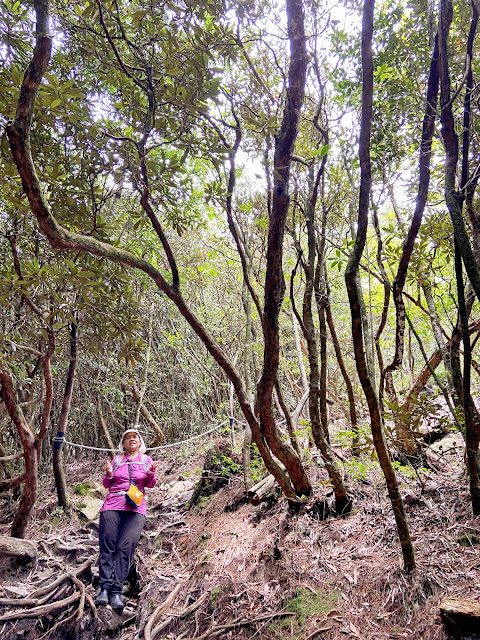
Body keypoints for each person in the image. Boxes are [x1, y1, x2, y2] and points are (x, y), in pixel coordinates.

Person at [95, 428, 158, 611]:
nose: (132, 440)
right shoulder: (117, 460)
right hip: (112, 505)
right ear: (122, 443)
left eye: (135, 437)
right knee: (108, 545)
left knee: (125, 548)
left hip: (136, 508)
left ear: (140, 442)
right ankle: (104, 589)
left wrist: (151, 472)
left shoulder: (146, 460)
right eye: (128, 438)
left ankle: (116, 591)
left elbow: (150, 484)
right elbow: (107, 484)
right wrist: (108, 473)